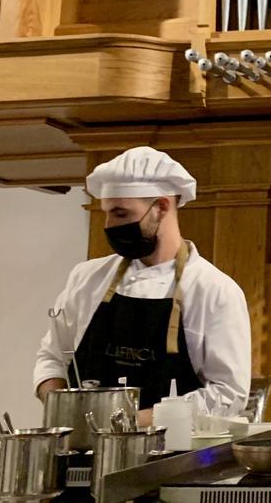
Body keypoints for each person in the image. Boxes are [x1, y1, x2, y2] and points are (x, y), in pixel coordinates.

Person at [33, 146, 251, 424]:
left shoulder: (214, 290)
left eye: (121, 214)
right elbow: (51, 357)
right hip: (79, 453)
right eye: (107, 214)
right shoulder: (87, 278)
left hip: (170, 459)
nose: (110, 225)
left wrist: (133, 423)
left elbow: (227, 395)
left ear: (161, 207)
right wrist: (60, 405)